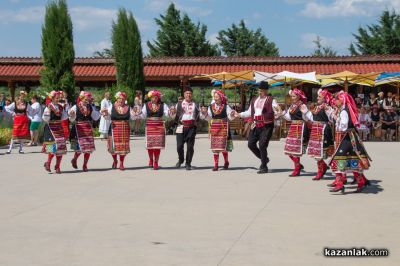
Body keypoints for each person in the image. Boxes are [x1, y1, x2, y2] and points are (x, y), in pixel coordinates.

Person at [328, 91, 371, 193]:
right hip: (352, 137)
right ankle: (361, 182)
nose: (334, 101)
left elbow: (343, 127)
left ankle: (340, 184)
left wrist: (336, 118)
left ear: (342, 100)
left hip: (347, 137)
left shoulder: (344, 111)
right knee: (353, 159)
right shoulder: (347, 109)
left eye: (337, 99)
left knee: (337, 159)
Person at [236, 81, 280, 174]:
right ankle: (264, 159)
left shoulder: (271, 100)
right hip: (255, 124)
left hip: (266, 125)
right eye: (259, 90)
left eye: (262, 90)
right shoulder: (254, 99)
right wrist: (239, 114)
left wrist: (278, 111)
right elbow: (249, 112)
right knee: (250, 144)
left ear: (266, 91)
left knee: (262, 145)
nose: (260, 92)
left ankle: (264, 166)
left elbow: (277, 110)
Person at [133, 90, 171, 170]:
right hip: (150, 125)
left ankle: (156, 162)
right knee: (150, 145)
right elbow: (143, 115)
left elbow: (168, 113)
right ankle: (151, 159)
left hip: (159, 126)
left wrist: (171, 111)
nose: (155, 98)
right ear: (150, 97)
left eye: (156, 97)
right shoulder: (146, 105)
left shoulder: (163, 105)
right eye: (153, 97)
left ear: (158, 97)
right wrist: (138, 113)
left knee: (157, 145)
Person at [279, 88, 310, 177]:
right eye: (291, 96)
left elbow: (306, 118)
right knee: (289, 149)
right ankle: (298, 166)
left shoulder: (302, 105)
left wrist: (305, 114)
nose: (292, 98)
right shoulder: (292, 106)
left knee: (296, 150)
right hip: (293, 127)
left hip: (300, 127)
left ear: (298, 96)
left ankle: (296, 169)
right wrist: (282, 114)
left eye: (294, 96)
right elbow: (289, 118)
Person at [200, 90, 235, 171]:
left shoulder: (226, 106)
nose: (215, 98)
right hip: (215, 128)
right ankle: (216, 165)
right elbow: (209, 118)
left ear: (221, 97)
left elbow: (230, 117)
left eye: (217, 96)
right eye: (214, 97)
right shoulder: (210, 107)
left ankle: (226, 161)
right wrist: (204, 113)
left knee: (223, 147)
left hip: (223, 128)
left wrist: (232, 114)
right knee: (215, 147)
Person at [305, 89, 334, 180]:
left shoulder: (327, 107)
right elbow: (312, 118)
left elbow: (332, 119)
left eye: (320, 97)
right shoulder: (317, 107)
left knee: (325, 153)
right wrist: (305, 112)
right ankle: (322, 168)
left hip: (323, 130)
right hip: (315, 130)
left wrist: (331, 112)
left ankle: (339, 174)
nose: (317, 98)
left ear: (325, 98)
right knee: (315, 152)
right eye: (318, 96)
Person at [102, 91, 135, 170]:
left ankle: (121, 163)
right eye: (120, 98)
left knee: (123, 147)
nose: (121, 100)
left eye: (123, 99)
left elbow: (133, 117)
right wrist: (106, 114)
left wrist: (135, 113)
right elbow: (107, 117)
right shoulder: (111, 106)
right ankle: (115, 160)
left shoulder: (128, 107)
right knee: (112, 147)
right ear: (117, 99)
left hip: (124, 129)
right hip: (114, 128)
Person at [68, 91, 101, 172]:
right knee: (78, 148)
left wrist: (100, 112)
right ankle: (75, 159)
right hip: (78, 129)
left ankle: (85, 165)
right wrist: (71, 115)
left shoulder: (91, 107)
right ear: (82, 98)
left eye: (89, 99)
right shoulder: (75, 107)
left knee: (88, 148)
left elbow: (96, 117)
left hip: (88, 129)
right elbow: (71, 119)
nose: (88, 100)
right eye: (86, 98)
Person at [170, 86, 199, 171]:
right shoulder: (178, 104)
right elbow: (172, 116)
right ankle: (181, 159)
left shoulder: (195, 104)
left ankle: (188, 163)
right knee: (179, 146)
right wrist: (172, 112)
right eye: (187, 93)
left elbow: (199, 115)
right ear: (184, 94)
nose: (188, 95)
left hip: (191, 127)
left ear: (192, 95)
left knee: (190, 147)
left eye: (190, 93)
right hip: (180, 126)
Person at [42, 91, 68, 174]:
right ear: (52, 98)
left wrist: (71, 114)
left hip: (59, 127)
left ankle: (57, 166)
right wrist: (48, 112)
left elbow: (64, 117)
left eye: (59, 98)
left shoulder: (60, 107)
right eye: (56, 98)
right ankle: (48, 163)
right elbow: (45, 119)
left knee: (60, 147)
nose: (58, 99)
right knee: (51, 146)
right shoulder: (48, 107)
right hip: (50, 128)